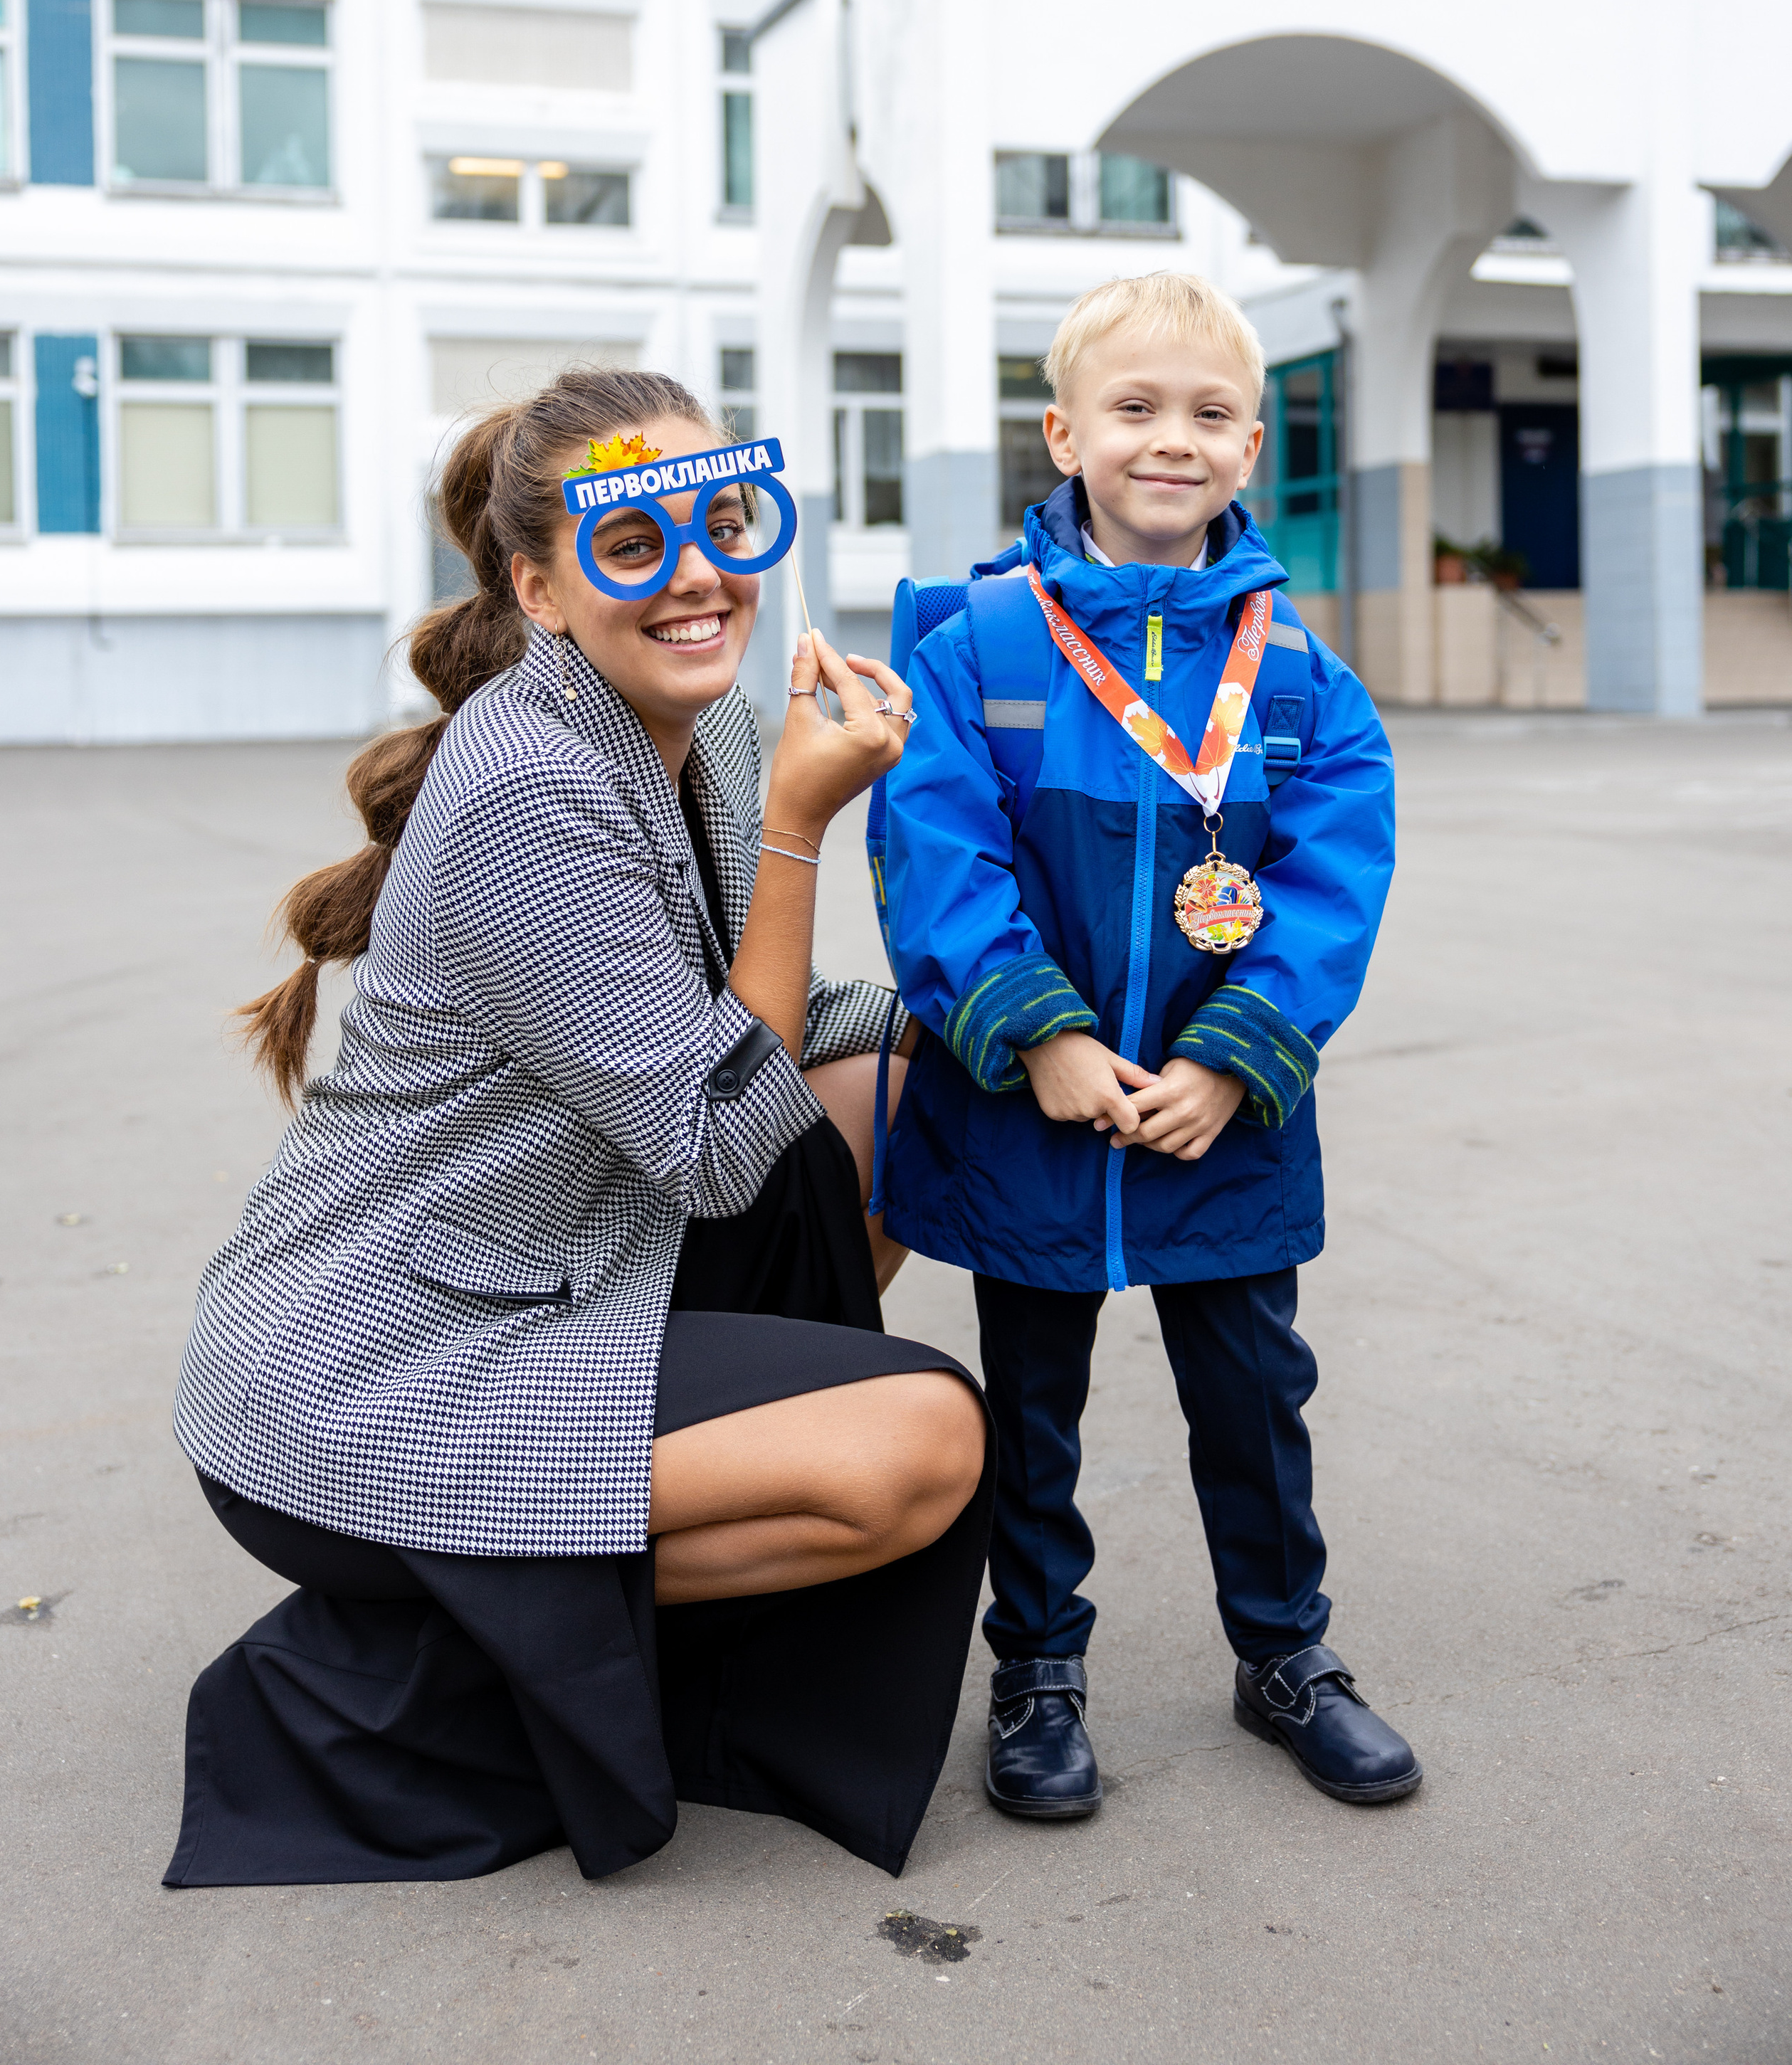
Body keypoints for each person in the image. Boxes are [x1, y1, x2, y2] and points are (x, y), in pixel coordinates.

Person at [164, 367, 989, 1889]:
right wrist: (811, 828)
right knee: (921, 1447)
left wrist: (998, 1028)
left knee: (901, 1102)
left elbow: (777, 1021)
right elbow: (724, 1138)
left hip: (568, 1264)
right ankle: (479, 1648)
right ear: (541, 591)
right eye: (632, 544)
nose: (693, 577)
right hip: (368, 1367)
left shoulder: (723, 743)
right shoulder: (525, 784)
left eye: (721, 525)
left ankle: (587, 1576)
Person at [880, 272, 1420, 1820]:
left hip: (1217, 1118)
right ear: (1063, 433)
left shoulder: (1305, 683)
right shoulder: (974, 642)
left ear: (1250, 446)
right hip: (1025, 1113)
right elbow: (937, 854)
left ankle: (1284, 1657)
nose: (1167, 440)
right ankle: (1036, 1671)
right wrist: (1034, 1035)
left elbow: (1332, 885)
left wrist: (1235, 1058)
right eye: (1132, 408)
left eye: (1205, 414)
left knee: (1252, 1399)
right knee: (1028, 1417)